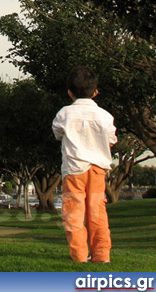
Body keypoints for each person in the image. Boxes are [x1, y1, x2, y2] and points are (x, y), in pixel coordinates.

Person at [52, 65, 117, 263]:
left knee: (73, 212)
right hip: (97, 169)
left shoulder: (64, 113)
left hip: (73, 169)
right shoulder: (105, 116)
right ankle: (101, 254)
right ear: (95, 92)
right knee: (97, 212)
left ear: (70, 92)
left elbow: (57, 133)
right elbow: (111, 140)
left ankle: (80, 255)